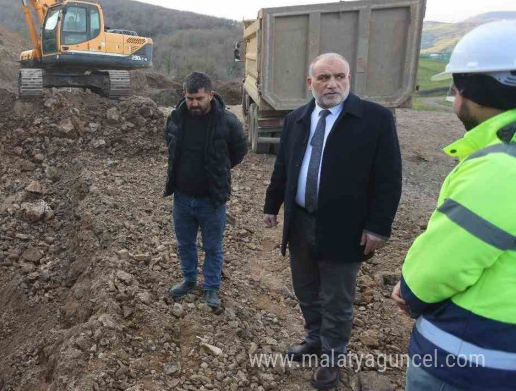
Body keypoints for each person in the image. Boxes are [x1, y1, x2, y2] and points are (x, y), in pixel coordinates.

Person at [263, 53, 402, 389]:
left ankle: (332, 356)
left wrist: (378, 226)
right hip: (300, 223)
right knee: (306, 289)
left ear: (349, 79)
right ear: (310, 83)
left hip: (345, 228)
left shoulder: (374, 119)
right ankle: (314, 339)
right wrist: (272, 204)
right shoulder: (297, 119)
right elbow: (284, 167)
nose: (332, 84)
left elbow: (389, 178)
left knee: (337, 299)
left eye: (339, 76)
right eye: (323, 78)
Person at [391, 20, 516, 391]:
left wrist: (410, 290)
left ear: (470, 90)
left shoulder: (499, 168)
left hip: (471, 362)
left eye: (455, 86)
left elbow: (439, 267)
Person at [164, 71, 247, 311]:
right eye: (190, 98)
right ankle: (189, 280)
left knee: (212, 246)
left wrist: (219, 169)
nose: (194, 103)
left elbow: (239, 150)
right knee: (185, 243)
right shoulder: (176, 118)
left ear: (210, 95)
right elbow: (169, 143)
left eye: (199, 98)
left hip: (212, 199)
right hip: (182, 198)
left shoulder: (227, 121)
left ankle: (211, 288)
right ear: (184, 95)